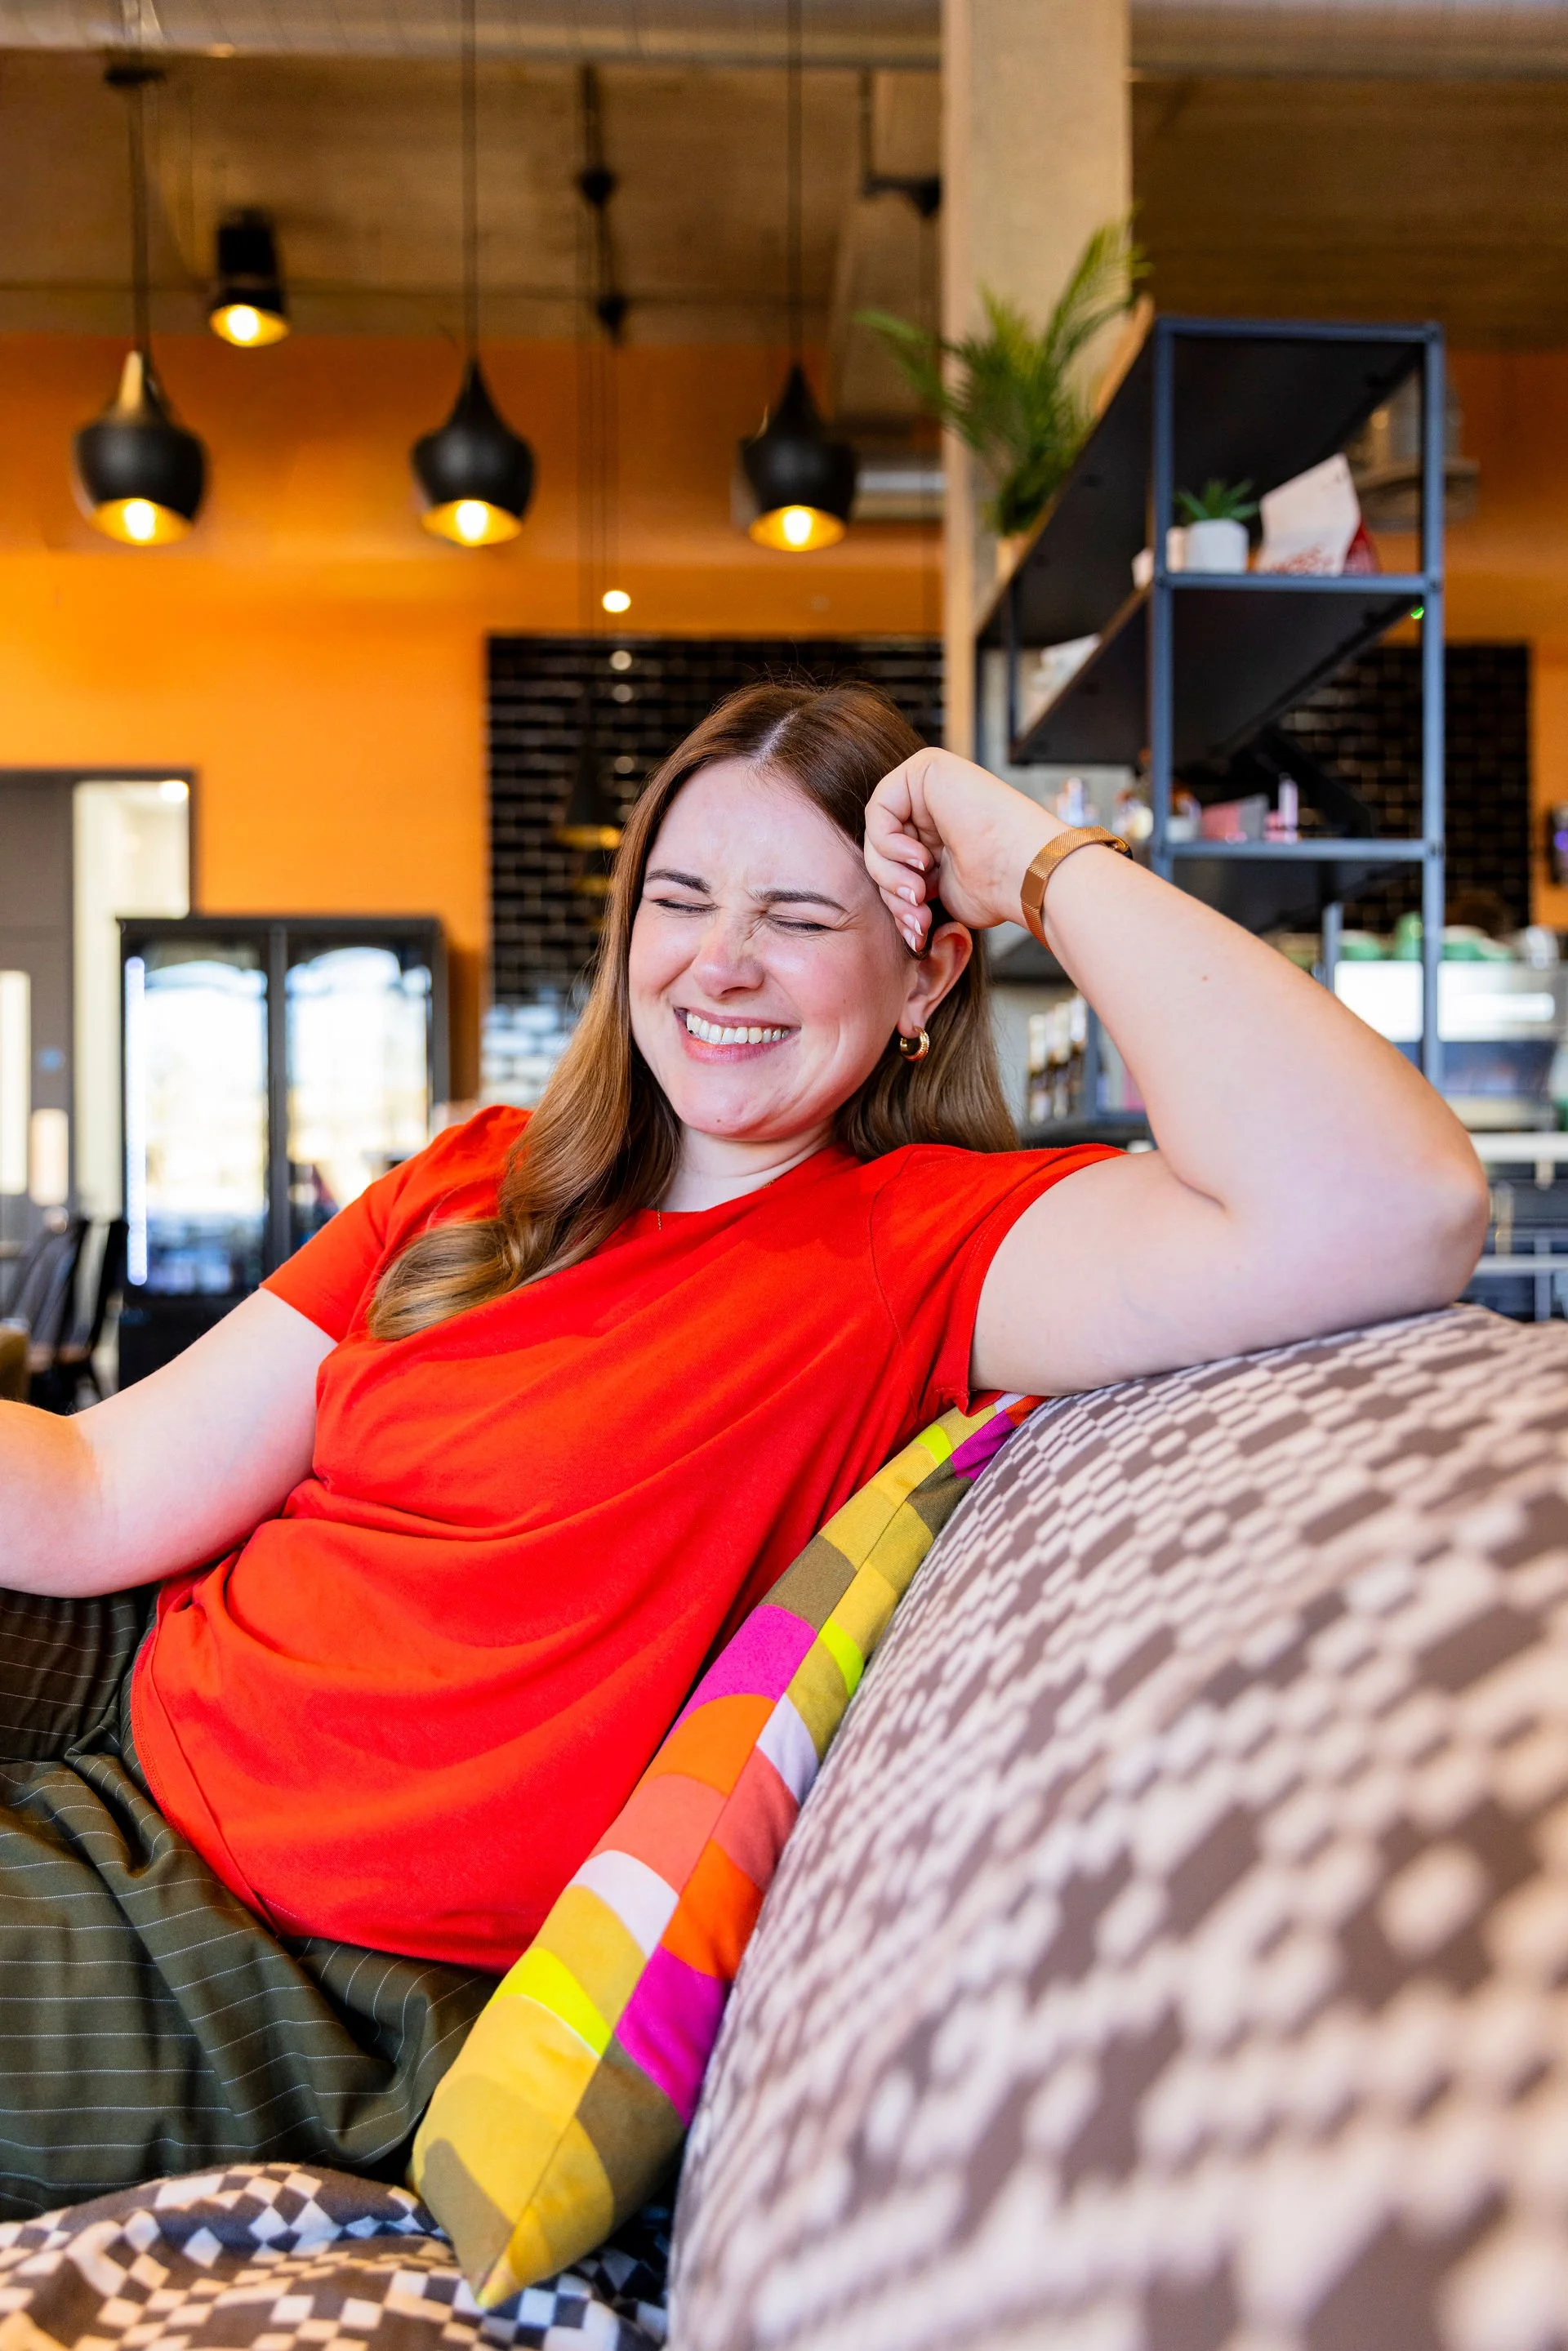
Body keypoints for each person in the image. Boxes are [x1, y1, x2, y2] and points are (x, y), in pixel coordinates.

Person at [0, 681, 1486, 2217]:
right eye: (682, 898)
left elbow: (1394, 1202)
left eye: (801, 916)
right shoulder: (475, 1176)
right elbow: (106, 1484)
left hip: (294, 1955)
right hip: (131, 1695)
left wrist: (1028, 851)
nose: (722, 959)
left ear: (927, 972)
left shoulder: (932, 1246)